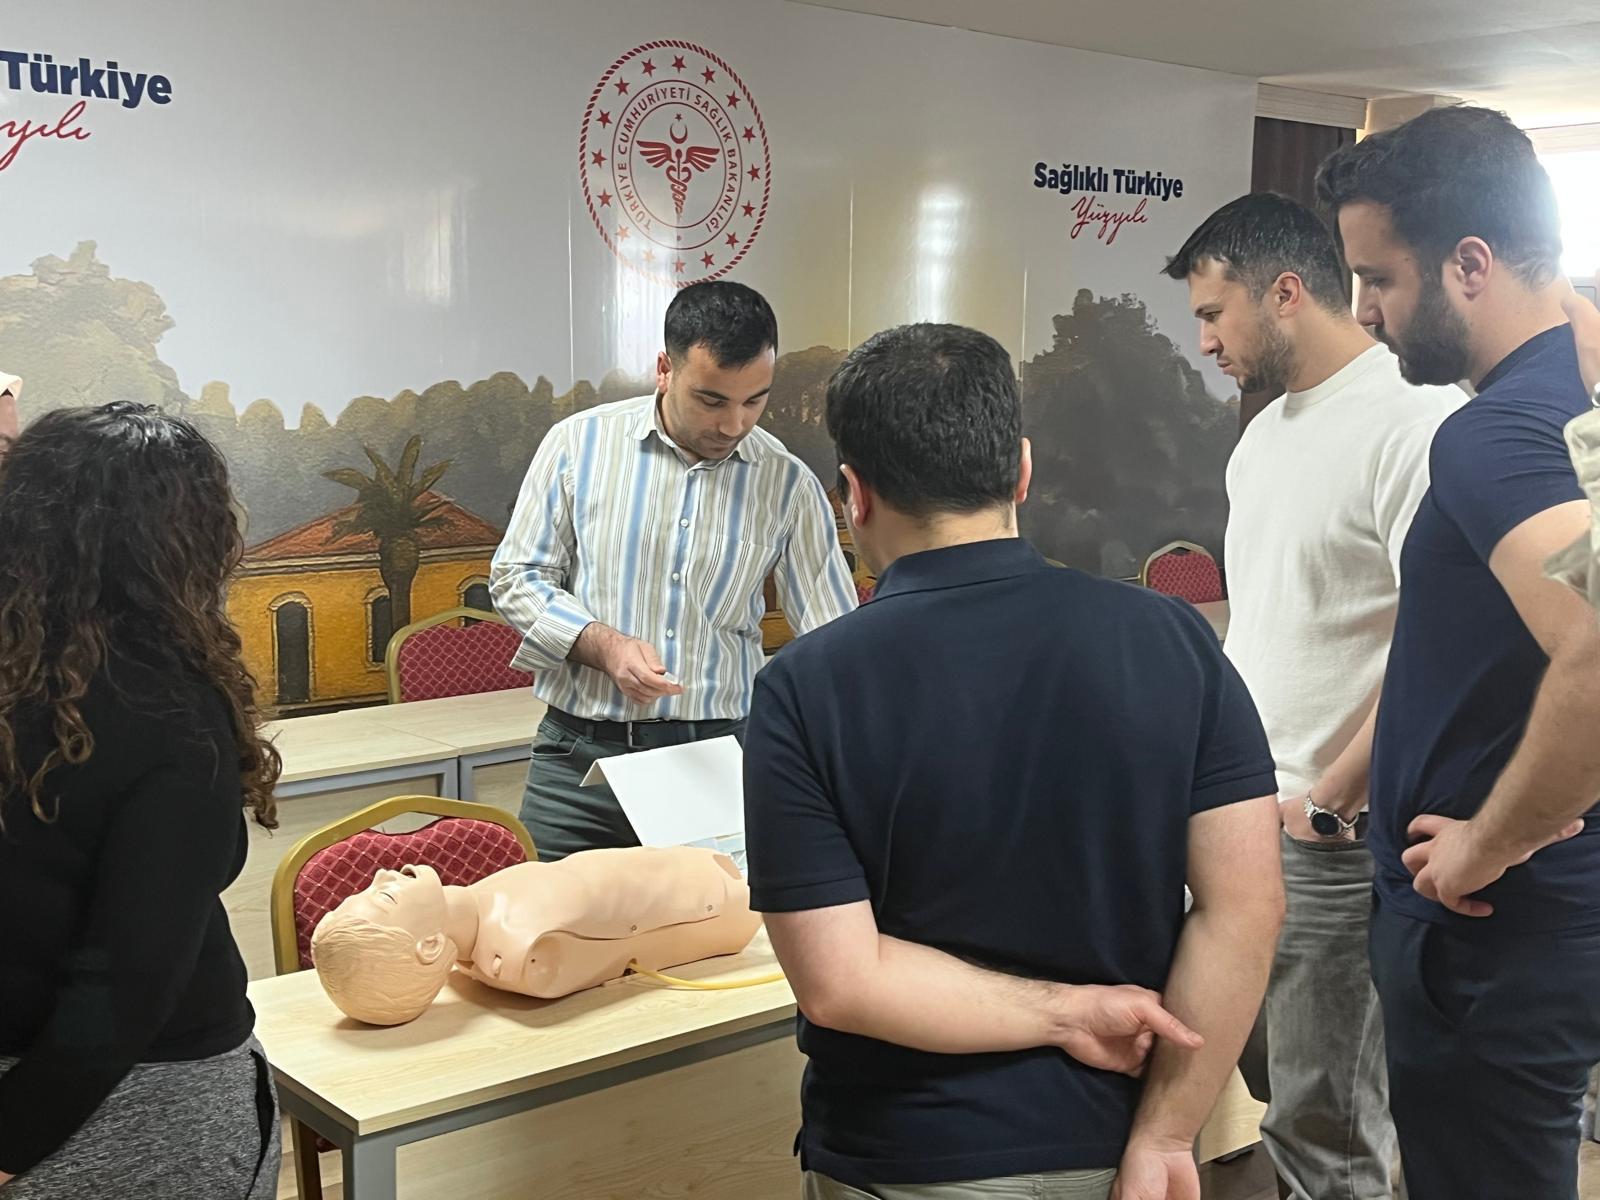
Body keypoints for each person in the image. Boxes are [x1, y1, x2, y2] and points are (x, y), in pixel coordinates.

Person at [743, 322, 1285, 1200]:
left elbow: (841, 984)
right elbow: (1247, 906)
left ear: (854, 495)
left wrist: (1065, 1014)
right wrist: (1168, 1133)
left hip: (904, 1155)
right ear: (1022, 471)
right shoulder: (1174, 640)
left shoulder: (805, 687)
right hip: (1121, 1142)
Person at [1317, 106, 1600, 1199]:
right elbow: (1477, 651)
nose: (1364, 311)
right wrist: (1341, 792)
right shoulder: (1571, 404)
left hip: (1490, 933)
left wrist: (1491, 839)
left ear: (1470, 266)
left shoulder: (1494, 435)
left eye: (1377, 278)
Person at [1161, 192, 1461, 1200]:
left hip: (1331, 835)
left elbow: (1441, 641)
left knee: (1325, 1132)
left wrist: (1333, 798)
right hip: (1242, 818)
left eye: (1213, 314)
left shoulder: (1416, 421)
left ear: (1285, 292)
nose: (1205, 341)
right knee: (1268, 1090)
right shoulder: (1263, 438)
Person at [0, 402, 283, 1198]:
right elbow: (118, 975)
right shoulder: (162, 710)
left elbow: (127, 981)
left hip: (122, 1103)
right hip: (113, 1102)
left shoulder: (161, 713)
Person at [491, 281, 857, 861]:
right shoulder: (578, 446)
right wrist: (603, 645)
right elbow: (517, 576)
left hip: (715, 760)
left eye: (755, 401)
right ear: (665, 369)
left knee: (726, 922)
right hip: (577, 761)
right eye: (711, 400)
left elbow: (834, 641)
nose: (734, 424)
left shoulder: (786, 483)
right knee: (543, 917)